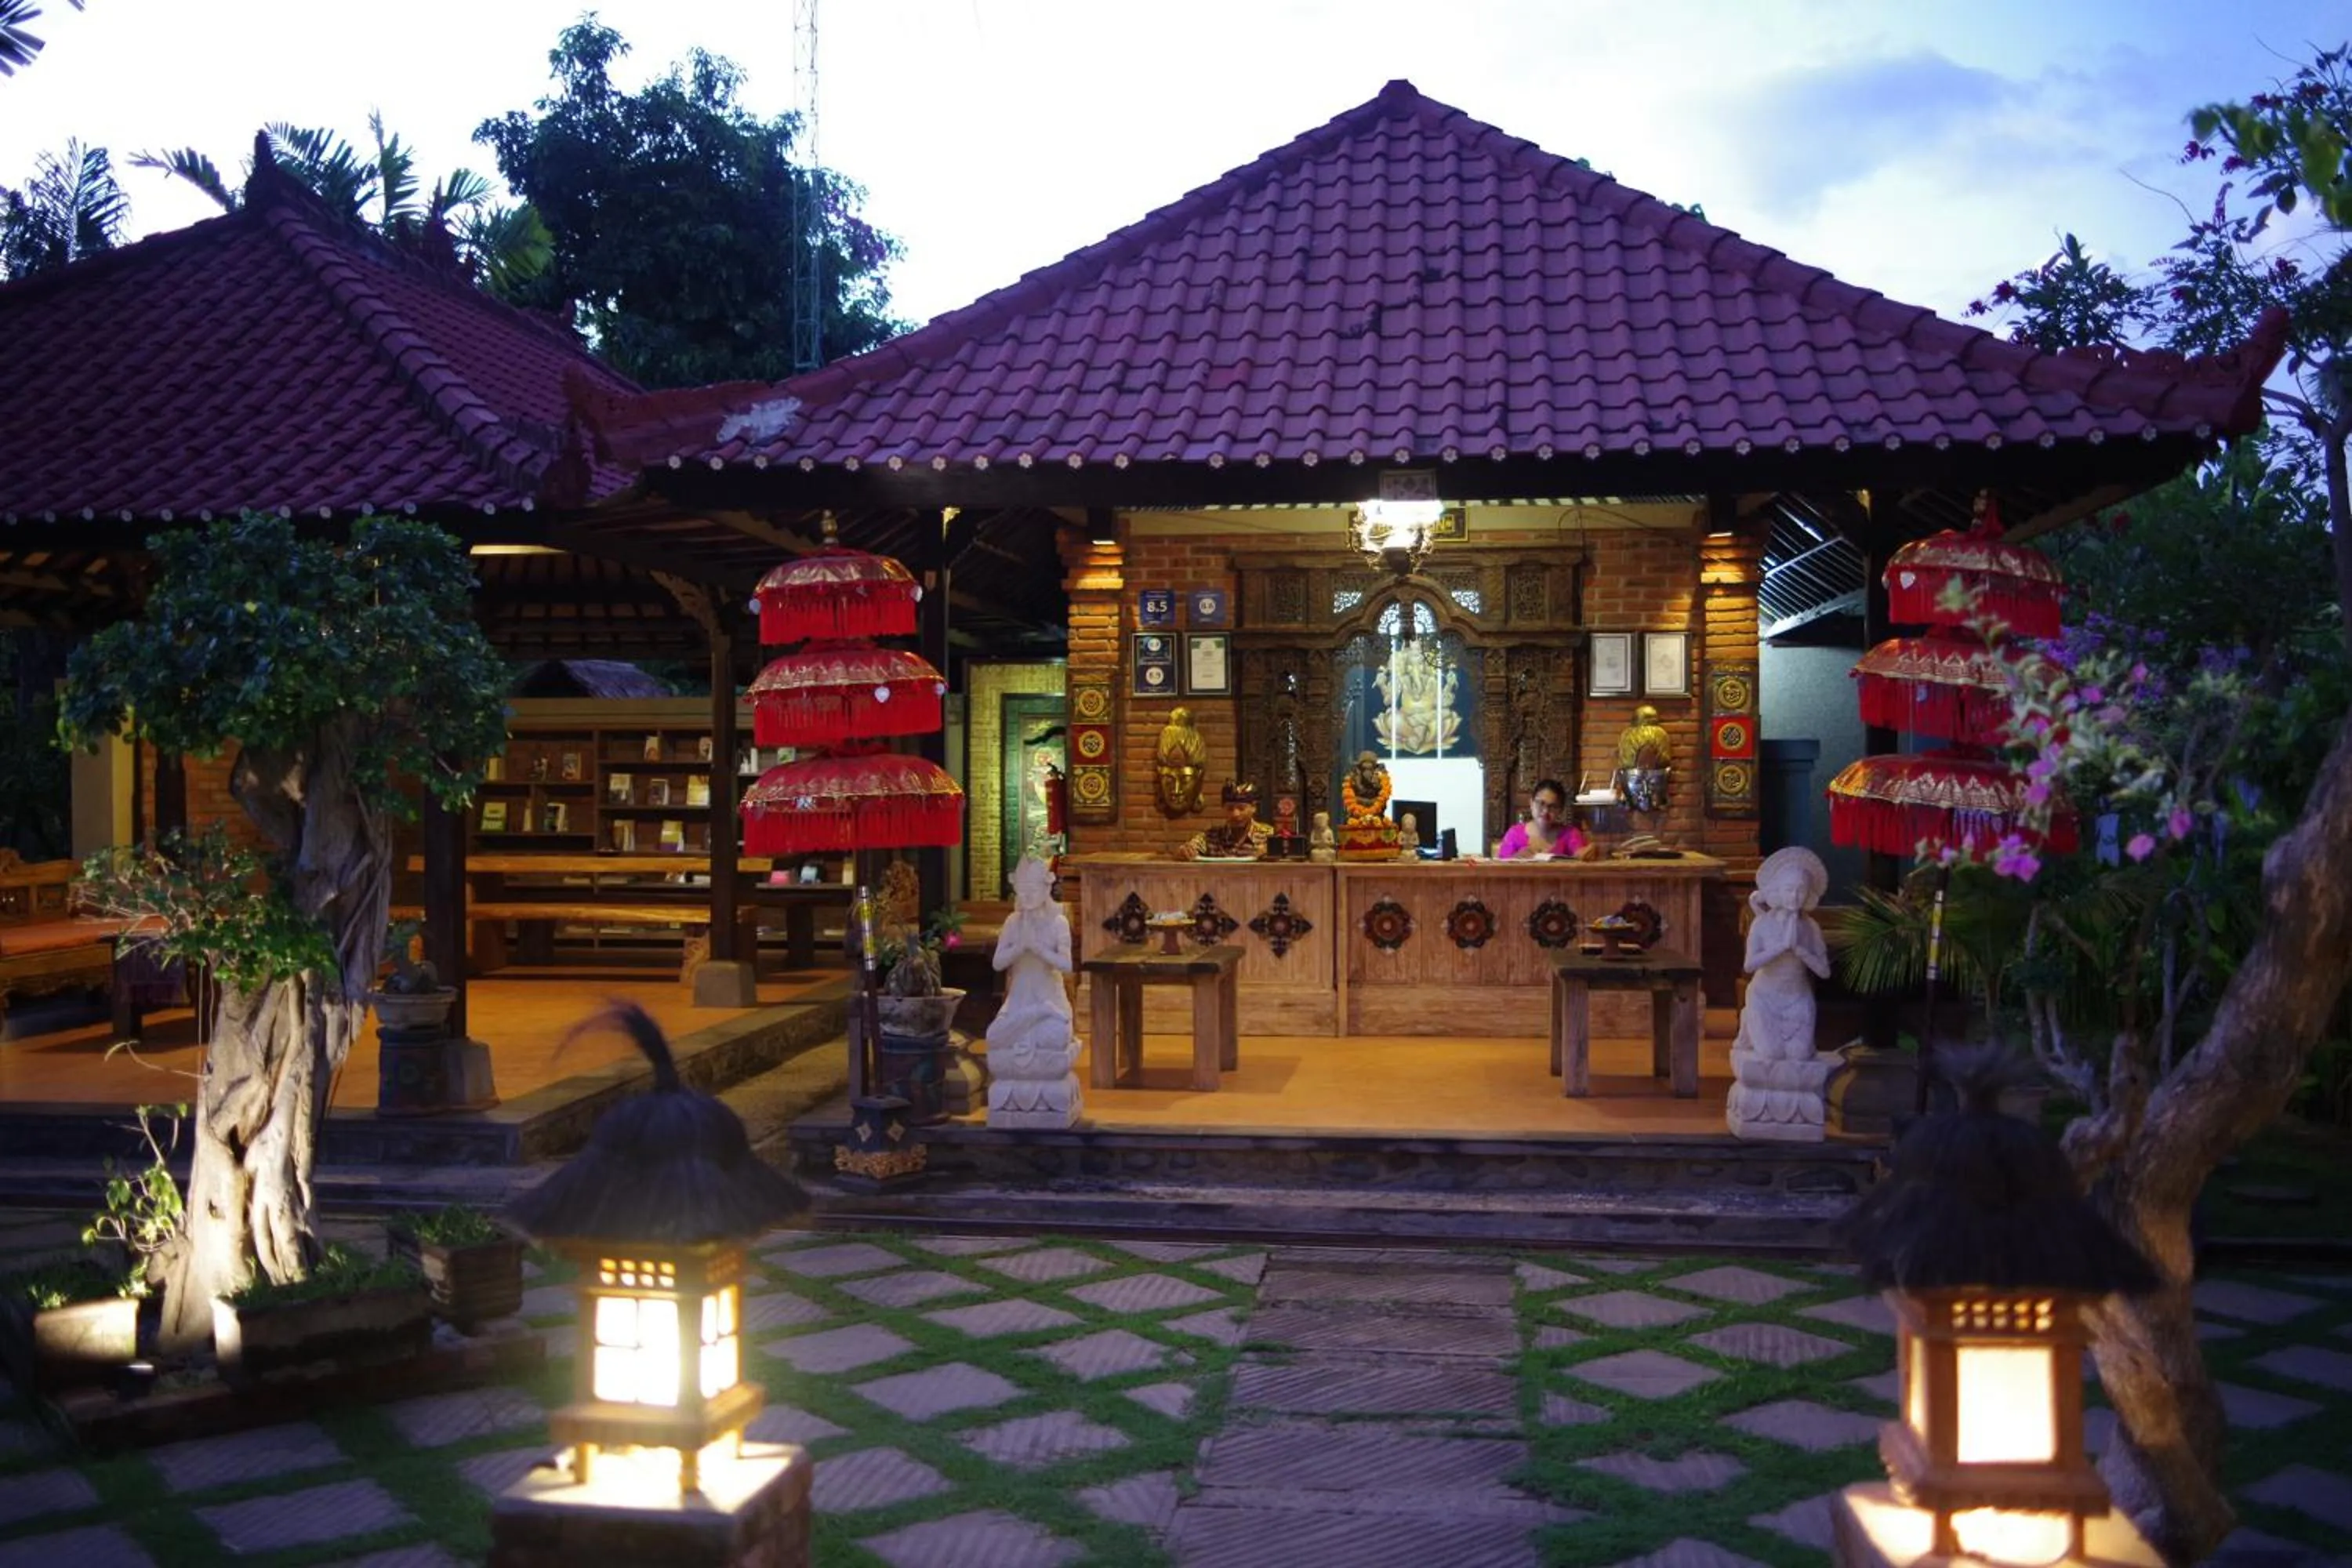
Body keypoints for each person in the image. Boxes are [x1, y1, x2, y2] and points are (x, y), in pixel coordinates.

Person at [1497, 778, 1594, 861]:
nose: (1545, 811)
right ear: (1531, 803)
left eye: (1553, 807)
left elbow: (1581, 857)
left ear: (1560, 810)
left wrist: (1588, 853)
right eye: (1541, 804)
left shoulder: (1570, 834)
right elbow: (1499, 868)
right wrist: (1516, 858)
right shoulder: (1514, 834)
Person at [1180, 781, 1272, 859]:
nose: (1235, 814)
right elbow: (1185, 850)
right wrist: (1184, 852)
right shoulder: (1211, 836)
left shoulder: (1268, 835)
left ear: (1254, 808)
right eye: (1230, 809)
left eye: (1241, 808)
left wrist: (1273, 853)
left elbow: (1283, 859)